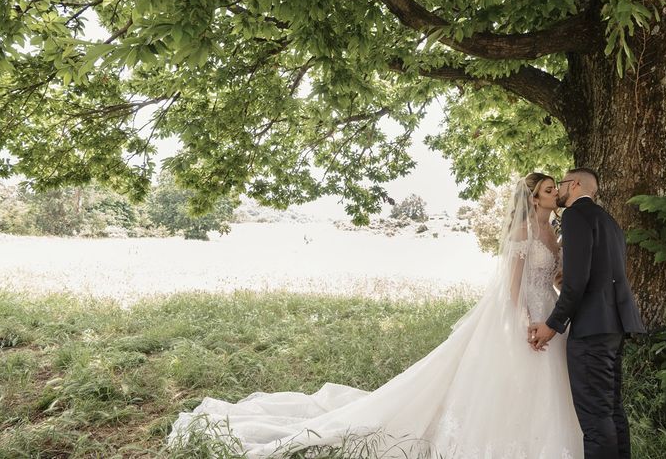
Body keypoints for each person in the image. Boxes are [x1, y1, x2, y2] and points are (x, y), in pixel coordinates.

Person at [168, 172, 584, 458]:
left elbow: (551, 275)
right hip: (527, 316)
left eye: (554, 189)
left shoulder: (555, 230)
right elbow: (510, 290)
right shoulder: (521, 233)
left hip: (550, 311)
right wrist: (527, 321)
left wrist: (557, 287)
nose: (555, 193)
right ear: (533, 198)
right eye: (549, 189)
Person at [528, 168, 646, 459]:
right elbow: (599, 273)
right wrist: (565, 280)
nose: (559, 191)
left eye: (562, 184)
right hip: (614, 327)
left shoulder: (575, 216)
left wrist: (552, 326)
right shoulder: (609, 221)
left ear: (576, 184)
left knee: (595, 420)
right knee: (612, 410)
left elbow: (578, 282)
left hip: (591, 331)